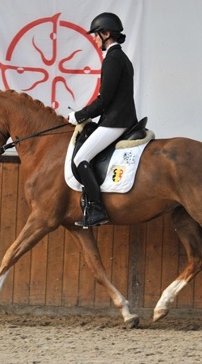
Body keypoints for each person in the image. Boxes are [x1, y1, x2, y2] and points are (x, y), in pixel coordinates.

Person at [68, 12, 138, 227]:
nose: (95, 39)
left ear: (106, 34)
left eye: (97, 35)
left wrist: (79, 115)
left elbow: (104, 99)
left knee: (80, 159)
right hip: (120, 118)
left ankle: (97, 209)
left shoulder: (113, 59)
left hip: (115, 121)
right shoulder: (121, 58)